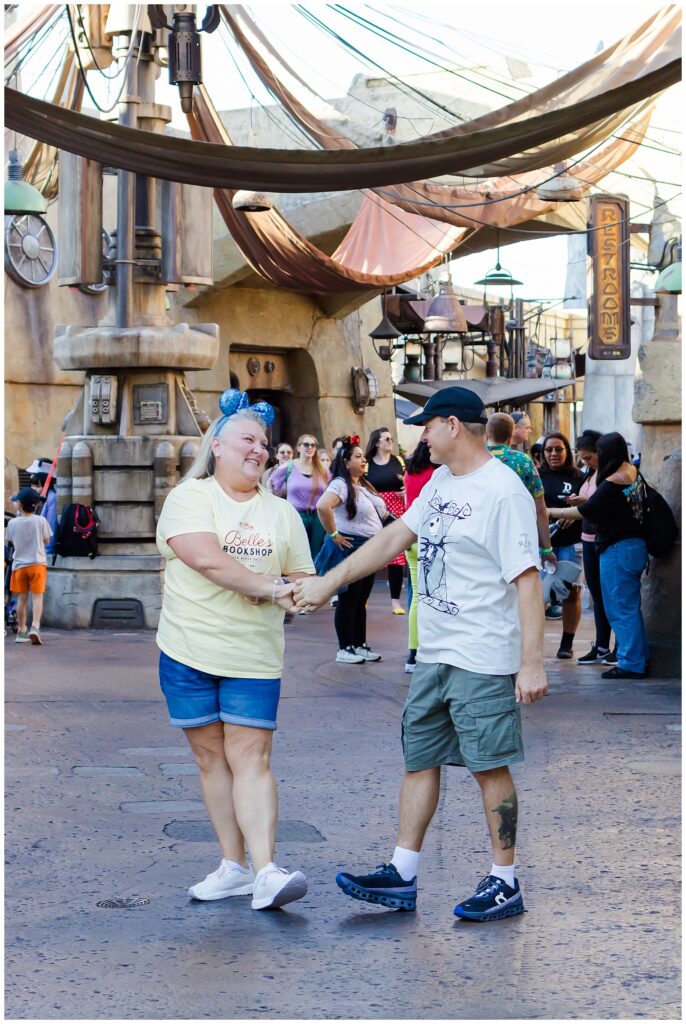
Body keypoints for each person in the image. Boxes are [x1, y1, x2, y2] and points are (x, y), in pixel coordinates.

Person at [294, 387, 547, 922]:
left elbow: (527, 582)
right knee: (420, 759)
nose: (420, 437)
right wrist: (330, 581)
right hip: (434, 651)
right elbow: (393, 540)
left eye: (426, 427)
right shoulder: (438, 483)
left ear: (453, 425)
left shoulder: (504, 493)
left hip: (482, 655)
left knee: (488, 764)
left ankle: (506, 880)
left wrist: (532, 662)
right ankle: (402, 874)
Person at [155, 388, 314, 911]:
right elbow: (206, 559)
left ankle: (266, 870)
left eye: (265, 443)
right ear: (217, 446)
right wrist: (271, 588)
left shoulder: (282, 512)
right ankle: (232, 865)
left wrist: (300, 595)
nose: (259, 450)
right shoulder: (189, 498)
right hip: (187, 650)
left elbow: (302, 578)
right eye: (247, 439)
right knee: (210, 760)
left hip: (252, 655)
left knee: (252, 758)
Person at [548, 431, 649, 680]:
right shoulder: (631, 472)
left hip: (618, 549)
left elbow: (588, 510)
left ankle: (631, 663)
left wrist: (548, 512)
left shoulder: (615, 479)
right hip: (632, 546)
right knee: (627, 606)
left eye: (597, 454)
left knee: (620, 608)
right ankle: (636, 657)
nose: (593, 461)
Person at [314, 434, 390, 663]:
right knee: (349, 599)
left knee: (361, 599)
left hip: (369, 548)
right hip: (352, 547)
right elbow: (322, 506)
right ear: (346, 462)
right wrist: (334, 534)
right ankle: (344, 648)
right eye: (358, 456)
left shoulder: (362, 484)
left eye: (363, 456)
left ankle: (359, 644)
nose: (364, 459)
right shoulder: (340, 484)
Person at [563, 431, 615, 665]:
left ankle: (619, 645)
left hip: (605, 538)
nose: (585, 463)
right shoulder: (590, 474)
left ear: (600, 453)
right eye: (582, 459)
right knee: (596, 593)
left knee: (611, 594)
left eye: (588, 458)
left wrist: (580, 505)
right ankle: (601, 645)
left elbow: (601, 503)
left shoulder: (612, 475)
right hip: (587, 536)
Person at [485, 413, 556, 572]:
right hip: (519, 540)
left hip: (482, 541)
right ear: (511, 436)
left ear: (487, 434)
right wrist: (546, 549)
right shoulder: (523, 461)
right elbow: (540, 509)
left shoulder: (475, 460)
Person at [539, 431, 583, 658]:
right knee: (538, 595)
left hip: (571, 543)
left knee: (571, 593)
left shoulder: (579, 477)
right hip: (541, 545)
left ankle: (567, 644)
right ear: (543, 453)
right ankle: (532, 644)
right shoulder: (535, 475)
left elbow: (590, 506)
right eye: (549, 450)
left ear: (568, 451)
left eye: (559, 449)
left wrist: (576, 513)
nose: (554, 454)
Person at [364, 427, 407, 614]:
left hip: (396, 511)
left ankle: (395, 602)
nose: (390, 441)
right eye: (386, 439)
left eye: (391, 438)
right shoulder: (367, 464)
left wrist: (405, 490)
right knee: (371, 556)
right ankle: (363, 597)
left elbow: (408, 482)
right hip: (373, 512)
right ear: (377, 443)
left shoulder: (399, 461)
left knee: (396, 558)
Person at [403, 440, 436, 674]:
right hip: (431, 538)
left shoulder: (409, 472)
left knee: (416, 597)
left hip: (410, 538)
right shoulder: (437, 473)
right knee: (433, 596)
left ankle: (412, 654)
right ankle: (428, 649)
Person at [269, 434, 329, 560]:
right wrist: (275, 504)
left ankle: (314, 578)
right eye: (306, 444)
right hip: (297, 515)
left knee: (316, 553)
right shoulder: (289, 466)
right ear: (299, 448)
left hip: (318, 516)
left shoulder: (321, 468)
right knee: (297, 552)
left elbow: (333, 486)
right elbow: (271, 482)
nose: (310, 447)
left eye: (313, 445)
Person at [6, 487, 52, 645]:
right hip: (38, 564)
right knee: (37, 597)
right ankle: (35, 627)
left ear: (20, 504)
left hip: (19, 566)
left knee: (22, 599)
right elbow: (47, 541)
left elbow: (11, 540)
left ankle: (21, 630)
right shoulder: (41, 521)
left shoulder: (12, 523)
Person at [30, 472, 58, 554]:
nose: (34, 489)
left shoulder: (52, 497)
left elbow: (51, 524)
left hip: (45, 547)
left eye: (37, 486)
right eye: (32, 486)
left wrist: (47, 548)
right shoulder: (36, 497)